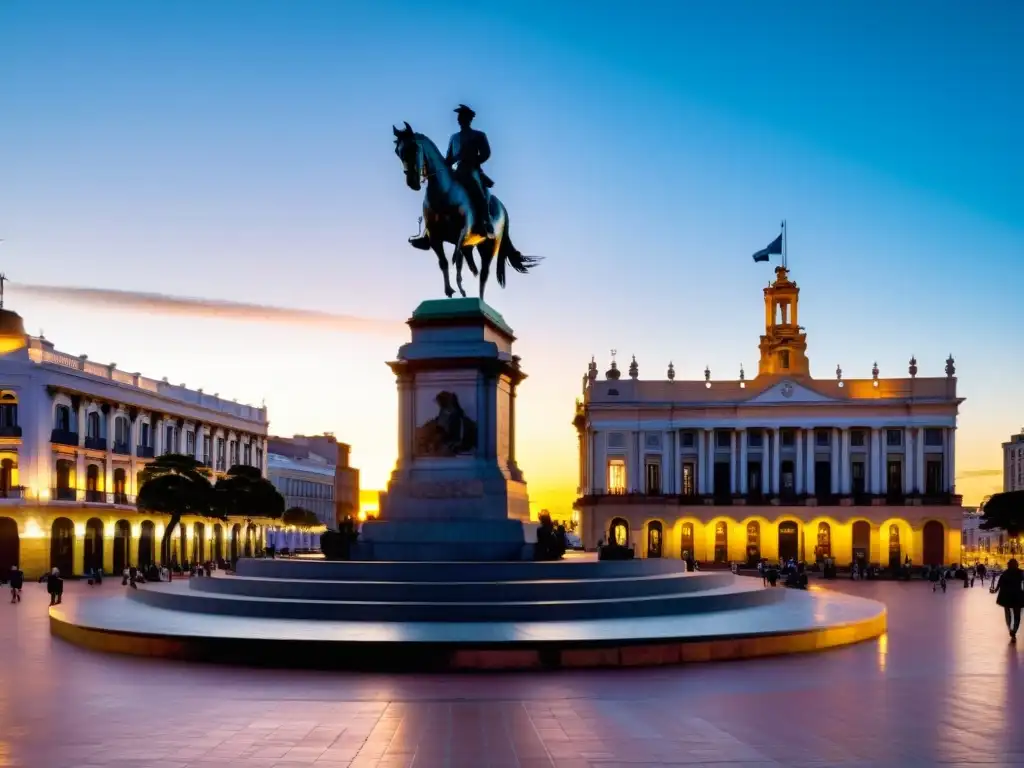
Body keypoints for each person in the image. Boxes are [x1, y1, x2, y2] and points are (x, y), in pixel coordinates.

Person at [445, 104, 494, 237]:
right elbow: (448, 158)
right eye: (458, 117)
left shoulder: (479, 135)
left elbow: (486, 153)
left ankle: (486, 222)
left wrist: (473, 161)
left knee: (478, 192)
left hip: (472, 170)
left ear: (468, 119)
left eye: (461, 116)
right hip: (457, 171)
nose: (459, 119)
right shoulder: (453, 138)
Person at [994, 558, 1024, 642]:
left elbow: (999, 584)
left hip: (1006, 596)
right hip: (1018, 596)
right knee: (1017, 615)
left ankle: (1010, 629)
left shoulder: (1005, 573)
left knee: (1008, 615)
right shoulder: (1021, 573)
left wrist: (995, 590)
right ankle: (1014, 630)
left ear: (1008, 565)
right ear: (1017, 565)